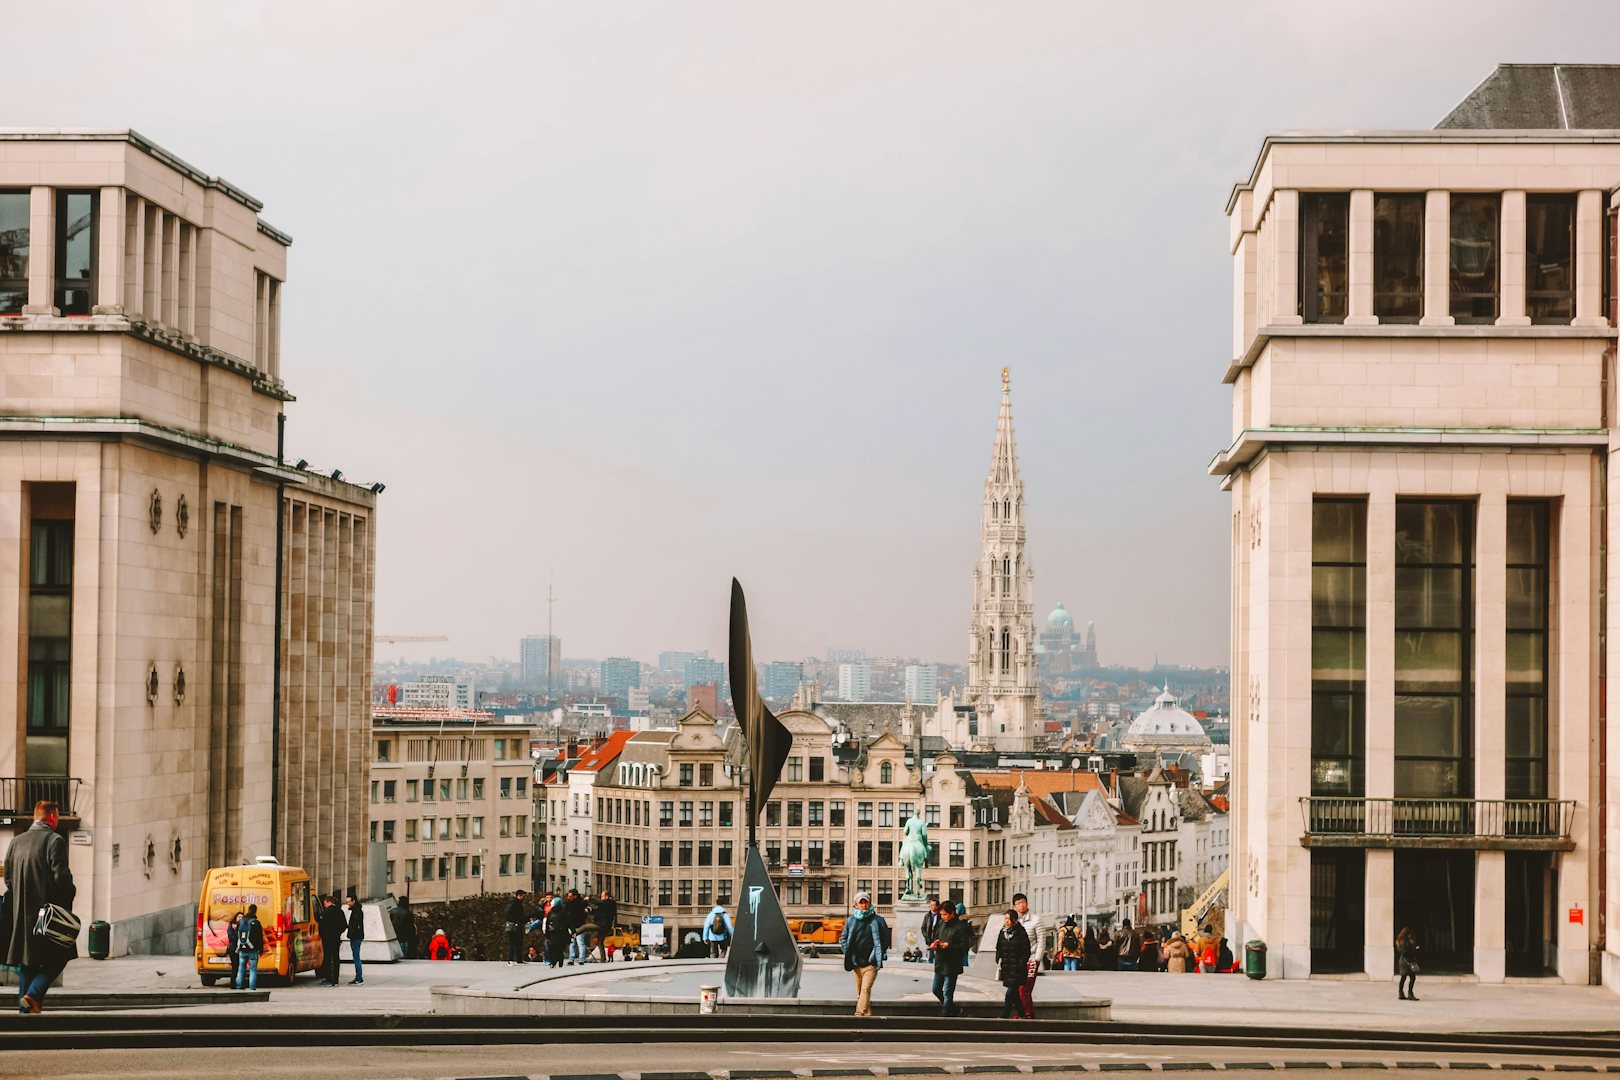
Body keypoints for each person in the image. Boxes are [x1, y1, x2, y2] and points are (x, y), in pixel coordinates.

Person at [3, 801, 77, 1014]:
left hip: (21, 916)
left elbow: (8, 879)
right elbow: (61, 878)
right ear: (52, 817)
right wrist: (68, 899)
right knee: (61, 956)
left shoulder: (16, 841)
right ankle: (34, 994)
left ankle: (24, 1010)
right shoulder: (55, 841)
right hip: (47, 917)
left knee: (28, 963)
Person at [838, 891, 888, 1017]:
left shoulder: (878, 920)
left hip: (871, 962)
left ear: (870, 903)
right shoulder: (850, 921)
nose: (864, 905)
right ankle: (867, 1015)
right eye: (861, 903)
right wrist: (849, 952)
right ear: (856, 905)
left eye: (866, 902)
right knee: (861, 992)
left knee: (865, 989)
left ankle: (858, 1014)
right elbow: (843, 938)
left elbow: (886, 939)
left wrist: (879, 952)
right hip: (856, 962)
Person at [929, 901, 973, 1017]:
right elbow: (935, 936)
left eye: (945, 915)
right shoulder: (941, 923)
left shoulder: (961, 926)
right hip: (940, 961)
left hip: (952, 962)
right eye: (941, 915)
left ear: (952, 913)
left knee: (948, 991)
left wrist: (949, 946)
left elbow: (964, 946)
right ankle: (953, 1009)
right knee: (936, 989)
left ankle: (945, 1014)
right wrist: (935, 943)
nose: (943, 917)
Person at [995, 910, 1032, 1019]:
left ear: (1014, 920)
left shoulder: (1021, 932)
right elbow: (999, 947)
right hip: (1007, 968)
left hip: (1018, 970)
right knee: (1014, 994)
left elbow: (1026, 951)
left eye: (1008, 919)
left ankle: (1005, 1016)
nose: (1006, 921)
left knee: (1010, 993)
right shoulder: (1002, 932)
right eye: (1005, 919)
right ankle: (1022, 1015)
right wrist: (998, 958)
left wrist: (1020, 964)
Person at [1011, 892, 1041, 1018]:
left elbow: (1041, 941)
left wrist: (1037, 959)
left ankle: (1022, 1014)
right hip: (1018, 961)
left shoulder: (1036, 920)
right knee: (1018, 990)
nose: (1021, 905)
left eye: (1023, 902)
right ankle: (1029, 1014)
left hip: (1031, 959)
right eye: (1018, 903)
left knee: (1025, 989)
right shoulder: (1013, 922)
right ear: (1014, 906)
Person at [317, 893, 347, 986]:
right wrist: (338, 933)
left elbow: (321, 927)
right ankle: (335, 980)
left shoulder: (326, 913)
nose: (324, 905)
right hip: (336, 938)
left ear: (329, 902)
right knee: (336, 958)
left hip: (327, 938)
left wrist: (323, 935)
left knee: (327, 958)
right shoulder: (340, 911)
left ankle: (328, 979)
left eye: (325, 903)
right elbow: (344, 925)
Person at [233, 903, 265, 991]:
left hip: (242, 949)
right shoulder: (256, 923)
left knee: (241, 969)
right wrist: (261, 949)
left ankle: (239, 986)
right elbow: (260, 938)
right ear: (255, 911)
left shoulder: (241, 921)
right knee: (253, 970)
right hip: (253, 950)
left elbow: (236, 935)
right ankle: (252, 988)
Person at [344, 894, 366, 985]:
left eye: (349, 901)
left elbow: (356, 926)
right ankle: (358, 977)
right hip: (356, 936)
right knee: (356, 956)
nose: (347, 903)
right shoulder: (356, 910)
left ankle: (359, 978)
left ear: (354, 901)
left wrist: (351, 933)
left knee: (356, 957)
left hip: (356, 937)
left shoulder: (357, 911)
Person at [592, 889, 618, 963]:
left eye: (602, 896)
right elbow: (598, 911)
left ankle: (574, 933)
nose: (601, 898)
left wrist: (590, 899)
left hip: (603, 925)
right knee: (600, 942)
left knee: (585, 927)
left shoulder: (609, 903)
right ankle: (603, 959)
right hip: (603, 924)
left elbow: (599, 904)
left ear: (606, 896)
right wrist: (590, 910)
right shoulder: (606, 904)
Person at [1396, 927, 1421, 1001]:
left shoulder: (1400, 941)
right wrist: (1414, 949)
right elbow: (1405, 952)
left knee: (1403, 978)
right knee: (1412, 977)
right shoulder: (1405, 941)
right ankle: (1410, 993)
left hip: (1403, 961)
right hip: (1407, 961)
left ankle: (1401, 993)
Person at [505, 890, 528, 966]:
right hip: (514, 925)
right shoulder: (515, 903)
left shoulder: (515, 903)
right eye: (523, 896)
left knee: (518, 942)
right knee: (513, 942)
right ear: (519, 896)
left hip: (515, 924)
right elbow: (516, 915)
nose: (524, 898)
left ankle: (519, 959)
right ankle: (510, 959)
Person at [919, 897, 943, 962]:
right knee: (929, 958)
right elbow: (923, 928)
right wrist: (926, 937)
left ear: (937, 906)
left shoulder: (941, 916)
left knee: (938, 958)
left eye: (933, 905)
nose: (931, 906)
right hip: (929, 940)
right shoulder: (927, 916)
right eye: (931, 905)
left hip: (938, 941)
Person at [225, 912, 242, 980]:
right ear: (236, 918)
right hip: (233, 949)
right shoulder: (232, 926)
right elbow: (231, 938)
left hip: (241, 949)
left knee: (240, 967)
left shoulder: (244, 926)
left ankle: (239, 982)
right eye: (239, 917)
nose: (241, 918)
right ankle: (233, 983)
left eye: (242, 917)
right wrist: (235, 930)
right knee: (235, 966)